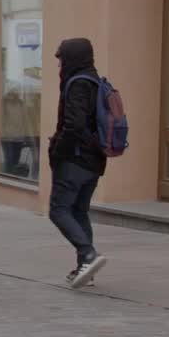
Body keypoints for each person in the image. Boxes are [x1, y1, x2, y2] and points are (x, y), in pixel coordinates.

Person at [49, 37, 109, 289]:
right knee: (79, 211)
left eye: (61, 58)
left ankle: (87, 255)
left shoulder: (77, 84)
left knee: (58, 209)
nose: (60, 63)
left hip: (75, 158)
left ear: (71, 58)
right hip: (94, 159)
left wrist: (57, 150)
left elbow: (74, 125)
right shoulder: (96, 81)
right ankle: (86, 270)